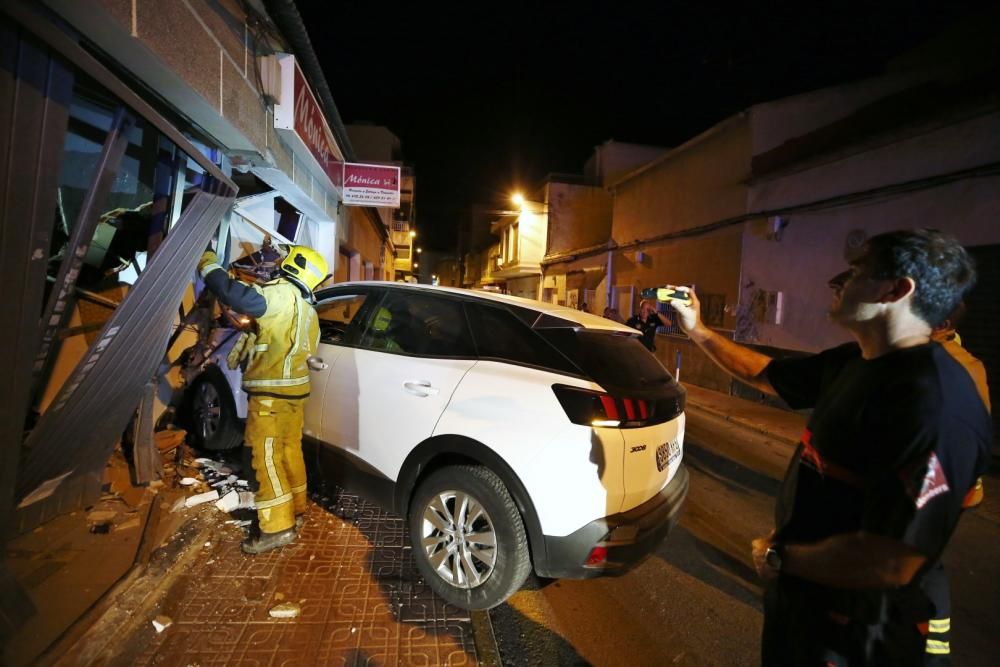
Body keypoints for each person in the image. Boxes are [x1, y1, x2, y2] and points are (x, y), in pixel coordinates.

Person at [668, 229, 991, 664]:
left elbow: (892, 561)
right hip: (805, 612)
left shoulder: (935, 403)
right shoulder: (854, 361)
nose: (840, 282)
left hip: (857, 634)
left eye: (858, 271)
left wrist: (782, 559)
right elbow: (767, 374)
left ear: (897, 290)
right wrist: (699, 331)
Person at [198, 244, 330, 554]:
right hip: (294, 395)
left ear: (295, 265)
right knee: (288, 453)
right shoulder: (309, 310)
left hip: (271, 396)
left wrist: (208, 263)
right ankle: (295, 509)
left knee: (265, 458)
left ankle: (276, 527)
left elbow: (236, 295)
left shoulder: (279, 294)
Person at [920, 303, 991, 664]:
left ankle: (934, 651)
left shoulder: (951, 364)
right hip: (947, 482)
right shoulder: (943, 354)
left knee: (923, 560)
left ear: (942, 323)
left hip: (943, 484)